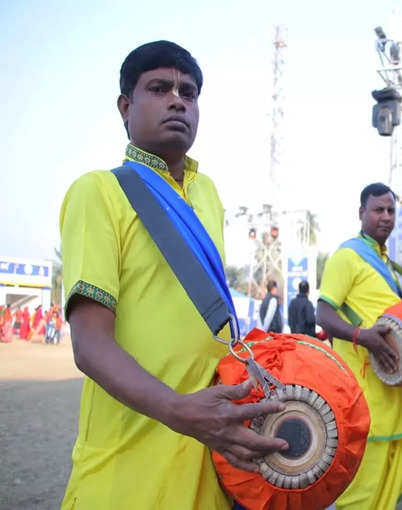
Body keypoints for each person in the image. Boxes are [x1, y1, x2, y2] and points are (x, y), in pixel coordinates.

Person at [59, 41, 287, 510]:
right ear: (126, 106)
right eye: (159, 88)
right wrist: (178, 410)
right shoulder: (98, 192)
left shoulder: (209, 194)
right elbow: (90, 344)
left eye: (189, 91)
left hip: (211, 447)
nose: (178, 100)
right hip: (129, 460)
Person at [316, 182, 402, 509]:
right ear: (361, 213)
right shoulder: (347, 256)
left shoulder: (386, 264)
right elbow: (322, 313)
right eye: (378, 210)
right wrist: (362, 336)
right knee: (363, 485)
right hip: (366, 389)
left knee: (390, 480)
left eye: (391, 211)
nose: (386, 217)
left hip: (395, 384)